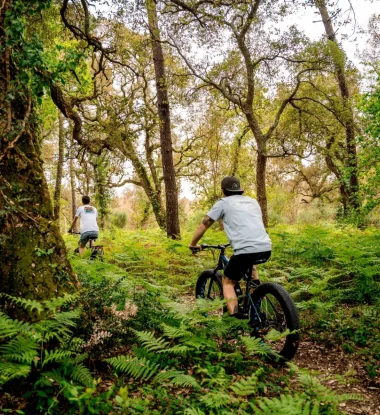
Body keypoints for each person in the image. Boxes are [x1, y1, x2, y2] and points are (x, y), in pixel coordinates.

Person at [189, 176, 272, 318]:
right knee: (249, 262)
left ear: (223, 191)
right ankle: (257, 291)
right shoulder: (253, 202)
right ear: (240, 190)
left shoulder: (222, 203)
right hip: (265, 247)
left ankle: (236, 317)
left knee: (227, 282)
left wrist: (193, 244)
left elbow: (204, 225)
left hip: (245, 251)